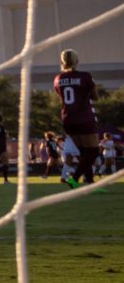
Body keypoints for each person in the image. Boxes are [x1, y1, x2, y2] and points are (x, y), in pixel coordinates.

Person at [54, 51, 101, 184]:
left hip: (68, 119)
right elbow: (95, 97)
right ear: (77, 61)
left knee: (83, 152)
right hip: (84, 118)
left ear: (62, 63)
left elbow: (62, 98)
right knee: (92, 152)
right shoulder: (85, 76)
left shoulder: (58, 79)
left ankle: (90, 181)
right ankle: (74, 179)